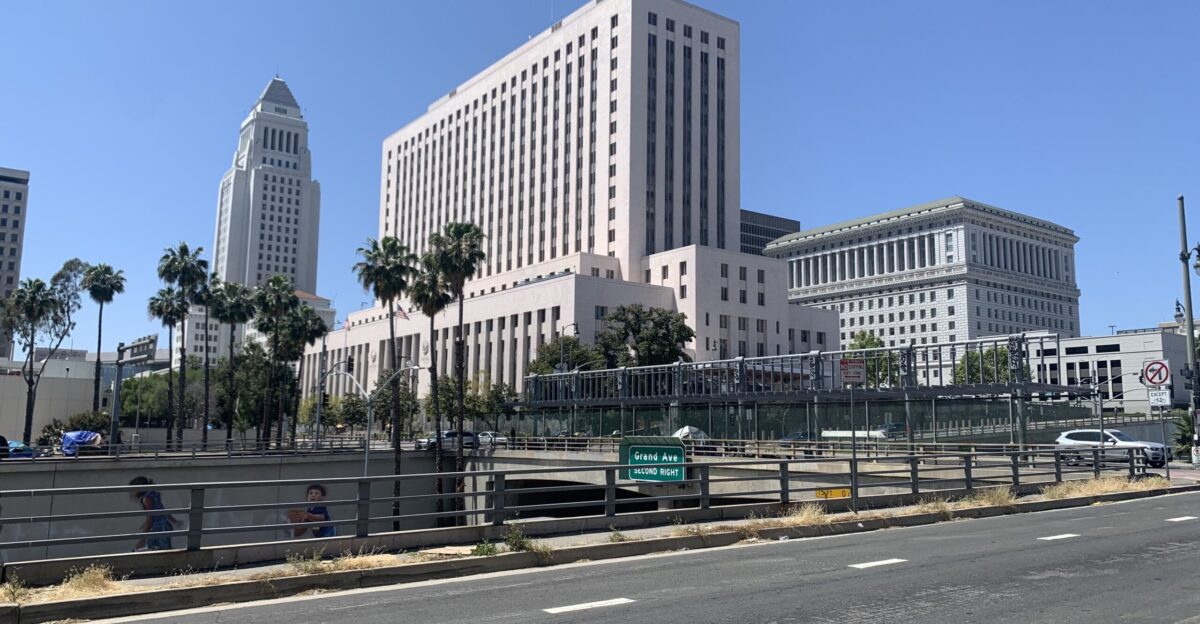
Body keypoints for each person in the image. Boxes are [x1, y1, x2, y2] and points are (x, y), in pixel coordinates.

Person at [130, 476, 174, 551]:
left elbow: (150, 520)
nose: (132, 492)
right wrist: (174, 521)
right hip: (163, 526)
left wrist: (142, 539)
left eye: (133, 489)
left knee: (162, 549)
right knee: (157, 548)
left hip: (160, 528)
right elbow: (161, 510)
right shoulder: (153, 495)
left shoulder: (146, 499)